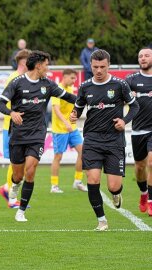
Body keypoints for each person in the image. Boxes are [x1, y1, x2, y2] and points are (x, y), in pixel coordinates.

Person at [0, 50, 77, 222]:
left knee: (31, 170)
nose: (48, 68)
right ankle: (15, 185)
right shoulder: (17, 83)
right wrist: (12, 113)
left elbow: (69, 97)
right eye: (47, 64)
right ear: (38, 65)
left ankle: (21, 211)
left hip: (37, 134)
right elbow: (0, 104)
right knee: (18, 176)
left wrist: (88, 99)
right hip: (18, 135)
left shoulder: (48, 84)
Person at [70, 49, 139, 231]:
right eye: (95, 67)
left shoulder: (120, 85)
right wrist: (73, 115)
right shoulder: (85, 86)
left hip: (114, 140)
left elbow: (135, 107)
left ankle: (116, 195)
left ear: (108, 65)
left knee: (114, 186)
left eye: (102, 67)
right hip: (92, 139)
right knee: (92, 179)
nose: (98, 70)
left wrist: (124, 121)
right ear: (90, 66)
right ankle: (101, 220)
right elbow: (78, 107)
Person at [0, 49, 30, 208]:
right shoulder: (14, 78)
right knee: (15, 162)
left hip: (19, 127)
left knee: (18, 162)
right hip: (11, 127)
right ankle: (11, 197)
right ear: (23, 62)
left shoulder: (22, 78)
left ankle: (6, 189)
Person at [50, 69, 87, 193]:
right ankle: (54, 185)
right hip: (60, 129)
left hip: (72, 128)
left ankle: (78, 181)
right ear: (65, 77)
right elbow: (56, 109)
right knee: (58, 156)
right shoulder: (57, 90)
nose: (74, 81)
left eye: (75, 79)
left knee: (83, 152)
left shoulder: (71, 89)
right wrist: (66, 122)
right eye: (72, 78)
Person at [126, 47, 152, 215]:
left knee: (151, 163)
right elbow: (117, 99)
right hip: (138, 131)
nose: (143, 58)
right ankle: (143, 193)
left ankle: (150, 200)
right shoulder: (131, 80)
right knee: (140, 167)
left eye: (147, 55)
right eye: (140, 56)